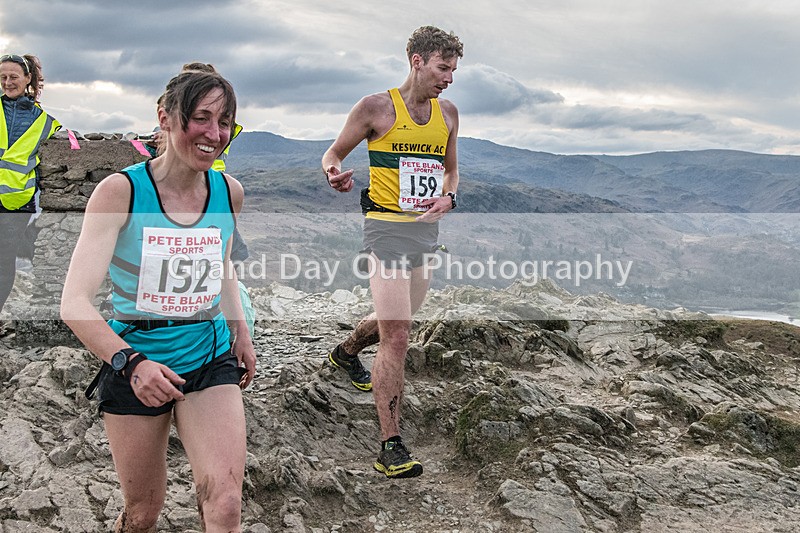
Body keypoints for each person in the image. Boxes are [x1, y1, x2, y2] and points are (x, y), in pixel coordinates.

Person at [61, 67, 256, 532]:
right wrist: (131, 363)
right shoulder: (121, 192)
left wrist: (241, 331)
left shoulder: (228, 192)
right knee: (143, 513)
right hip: (137, 360)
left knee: (226, 504)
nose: (214, 134)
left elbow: (221, 265)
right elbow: (74, 303)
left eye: (225, 122)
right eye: (201, 118)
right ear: (165, 118)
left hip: (209, 355)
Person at [321, 26, 463, 479]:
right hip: (384, 228)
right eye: (443, 68)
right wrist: (334, 174)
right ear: (417, 61)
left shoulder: (448, 114)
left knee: (396, 319)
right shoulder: (375, 108)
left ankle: (346, 352)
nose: (449, 78)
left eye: (454, 70)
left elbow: (451, 172)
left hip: (425, 232)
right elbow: (333, 154)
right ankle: (391, 445)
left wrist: (449, 197)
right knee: (399, 335)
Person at [0, 53, 60, 314]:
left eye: (13, 77)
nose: (7, 82)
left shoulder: (45, 122)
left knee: (3, 262)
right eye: (2, 77)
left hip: (17, 202)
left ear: (28, 79)